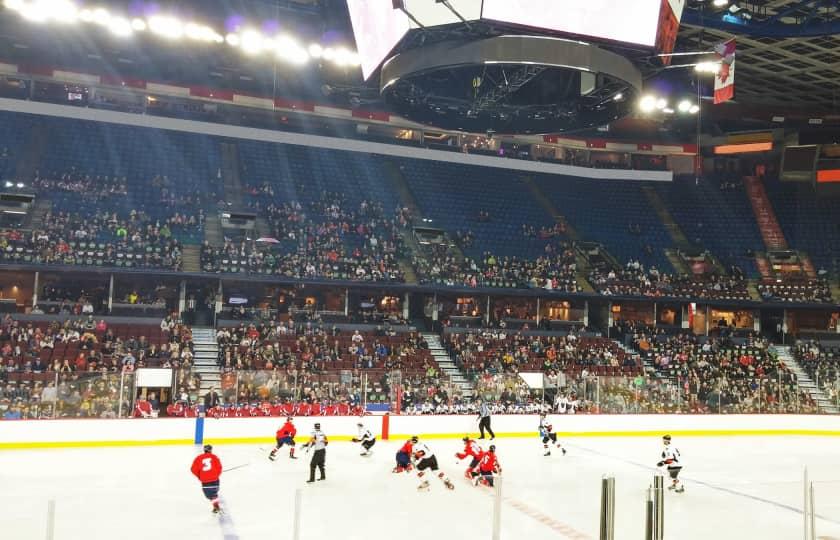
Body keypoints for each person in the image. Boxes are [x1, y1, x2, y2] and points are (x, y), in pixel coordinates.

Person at [190, 444, 223, 513]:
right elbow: (219, 467)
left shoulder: (198, 458)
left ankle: (216, 506)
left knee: (210, 495)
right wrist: (216, 475)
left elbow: (193, 469)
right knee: (214, 493)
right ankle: (216, 505)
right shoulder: (214, 457)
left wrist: (200, 476)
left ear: (204, 450)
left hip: (205, 481)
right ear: (211, 450)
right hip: (215, 479)